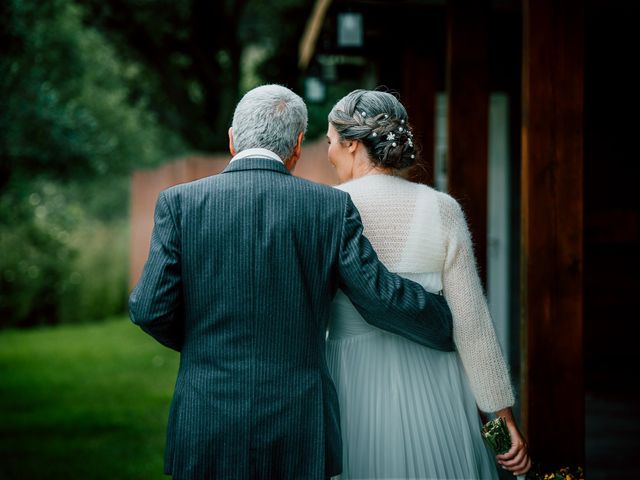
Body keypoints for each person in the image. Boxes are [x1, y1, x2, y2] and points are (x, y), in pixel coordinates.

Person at [129, 84, 456, 480]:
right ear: (298, 146)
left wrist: (205, 343)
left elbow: (149, 308)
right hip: (299, 425)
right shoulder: (330, 208)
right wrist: (446, 321)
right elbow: (379, 297)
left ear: (232, 139)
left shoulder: (179, 204)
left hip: (207, 420)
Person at [325, 89, 532, 479]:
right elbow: (471, 322)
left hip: (351, 383)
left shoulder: (325, 208)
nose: (329, 151)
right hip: (434, 384)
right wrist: (501, 416)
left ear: (352, 145)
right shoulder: (442, 208)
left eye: (331, 141)